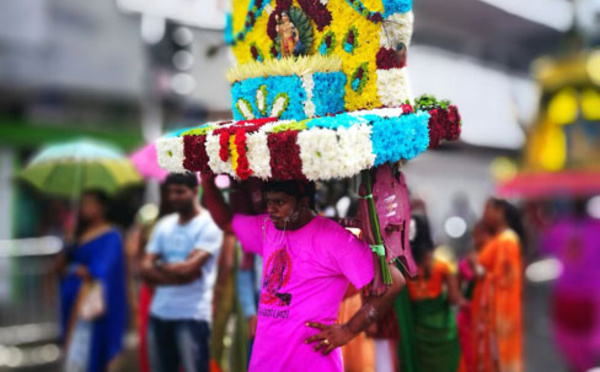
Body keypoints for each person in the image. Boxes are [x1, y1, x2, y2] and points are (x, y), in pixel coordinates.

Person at [201, 176, 404, 372]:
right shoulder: (268, 227)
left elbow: (393, 281)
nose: (271, 210)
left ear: (303, 202)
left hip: (310, 361)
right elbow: (227, 224)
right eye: (269, 202)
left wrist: (349, 330)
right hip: (264, 361)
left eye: (279, 202)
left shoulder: (335, 238)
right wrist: (207, 182)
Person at [141, 173, 224, 372]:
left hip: (192, 316)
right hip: (159, 313)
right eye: (170, 192)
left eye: (180, 192)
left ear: (195, 191)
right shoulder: (164, 225)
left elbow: (189, 270)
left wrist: (159, 266)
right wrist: (177, 275)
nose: (174, 197)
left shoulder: (210, 224)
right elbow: (144, 267)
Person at [59, 190, 128, 372]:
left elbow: (102, 269)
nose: (85, 208)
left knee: (89, 353)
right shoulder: (77, 234)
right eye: (83, 203)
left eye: (90, 203)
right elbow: (61, 266)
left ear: (102, 207)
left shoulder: (112, 235)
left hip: (90, 305)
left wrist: (82, 270)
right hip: (71, 301)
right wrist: (69, 244)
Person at [399, 214, 463, 372]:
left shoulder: (403, 268)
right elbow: (454, 299)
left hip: (418, 336)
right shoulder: (442, 265)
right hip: (444, 333)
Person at [470, 198, 524, 372]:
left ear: (500, 211)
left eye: (487, 210)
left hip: (499, 314)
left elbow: (504, 279)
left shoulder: (507, 240)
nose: (484, 214)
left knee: (498, 360)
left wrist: (477, 267)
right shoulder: (500, 238)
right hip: (490, 312)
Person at [457, 222, 491, 372]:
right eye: (475, 236)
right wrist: (462, 302)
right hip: (468, 318)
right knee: (469, 357)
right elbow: (456, 288)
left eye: (481, 235)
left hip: (487, 317)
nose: (477, 239)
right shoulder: (466, 262)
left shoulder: (491, 259)